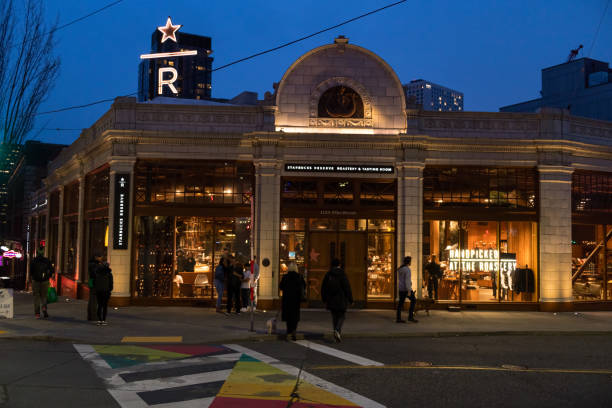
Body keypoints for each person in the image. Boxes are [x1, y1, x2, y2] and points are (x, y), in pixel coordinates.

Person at [321, 258, 353, 343]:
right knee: (342, 316)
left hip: (331, 299)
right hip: (341, 299)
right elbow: (347, 287)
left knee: (334, 317)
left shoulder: (328, 274)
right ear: (339, 265)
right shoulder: (342, 274)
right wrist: (350, 299)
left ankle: (336, 335)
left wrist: (324, 299)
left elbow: (324, 287)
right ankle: (337, 330)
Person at [279, 263, 306, 341]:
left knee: (288, 316)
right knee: (295, 316)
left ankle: (288, 332)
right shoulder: (299, 277)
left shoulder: (285, 277)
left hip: (287, 299)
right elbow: (304, 286)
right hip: (296, 300)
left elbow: (281, 287)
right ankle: (294, 331)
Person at [29, 249, 54, 319]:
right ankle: (44, 307)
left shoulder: (33, 261)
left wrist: (32, 278)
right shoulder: (47, 260)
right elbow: (52, 270)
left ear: (37, 253)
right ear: (43, 253)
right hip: (45, 281)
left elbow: (31, 271)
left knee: (36, 297)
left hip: (36, 281)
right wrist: (48, 277)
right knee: (44, 296)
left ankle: (37, 313)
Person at [397, 256, 418, 323]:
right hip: (406, 289)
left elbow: (402, 280)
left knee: (400, 303)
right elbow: (407, 280)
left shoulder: (401, 269)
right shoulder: (407, 269)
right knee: (414, 300)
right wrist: (409, 290)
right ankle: (410, 317)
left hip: (401, 288)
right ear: (409, 262)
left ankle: (398, 318)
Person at [92, 260, 113, 326]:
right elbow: (111, 283)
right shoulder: (109, 274)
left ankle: (99, 320)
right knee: (105, 306)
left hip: (99, 291)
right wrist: (110, 289)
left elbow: (93, 282)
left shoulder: (97, 273)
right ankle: (103, 320)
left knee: (99, 305)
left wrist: (95, 288)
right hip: (106, 291)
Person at [87, 254, 103, 321]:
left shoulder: (92, 264)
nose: (101, 258)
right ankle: (93, 316)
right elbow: (96, 274)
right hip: (95, 283)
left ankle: (90, 316)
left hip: (92, 282)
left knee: (92, 300)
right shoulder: (95, 265)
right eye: (100, 257)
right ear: (96, 257)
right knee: (94, 300)